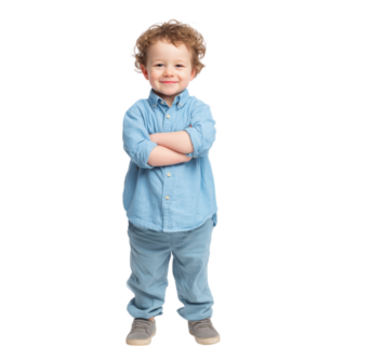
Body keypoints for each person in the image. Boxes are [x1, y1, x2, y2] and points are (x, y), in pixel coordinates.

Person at [120, 18, 221, 347]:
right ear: (145, 71)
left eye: (178, 65)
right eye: (159, 64)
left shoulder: (202, 110)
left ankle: (199, 315)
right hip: (146, 217)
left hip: (194, 217)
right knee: (145, 273)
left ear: (193, 72)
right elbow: (140, 152)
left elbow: (202, 142)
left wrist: (159, 142)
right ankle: (143, 316)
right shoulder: (135, 112)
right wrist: (183, 146)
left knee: (194, 272)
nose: (169, 72)